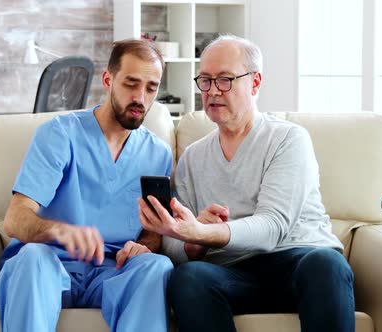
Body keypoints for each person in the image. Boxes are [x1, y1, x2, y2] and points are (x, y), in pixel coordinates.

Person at [138, 35, 355, 332]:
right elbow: (175, 249)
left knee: (327, 265)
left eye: (225, 80)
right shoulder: (192, 157)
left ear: (255, 83)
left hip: (300, 262)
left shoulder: (289, 139)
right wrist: (192, 243)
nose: (213, 91)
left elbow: (273, 226)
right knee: (188, 276)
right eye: (205, 80)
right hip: (234, 273)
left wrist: (207, 231)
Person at [0, 39, 174, 332]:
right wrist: (58, 230)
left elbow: (152, 231)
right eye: (131, 84)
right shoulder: (59, 135)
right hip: (49, 267)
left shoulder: (158, 154)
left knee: (156, 266)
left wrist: (142, 247)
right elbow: (15, 219)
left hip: (111, 273)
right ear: (108, 80)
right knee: (32, 256)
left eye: (151, 88)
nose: (141, 98)